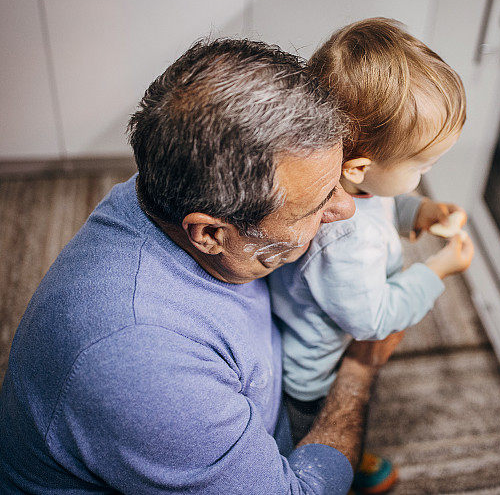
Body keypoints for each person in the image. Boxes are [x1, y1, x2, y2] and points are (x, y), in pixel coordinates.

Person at [0, 38, 401, 494]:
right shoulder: (145, 365)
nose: (347, 210)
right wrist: (360, 370)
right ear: (210, 234)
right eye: (317, 204)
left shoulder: (181, 180)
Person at [269, 19, 474, 493]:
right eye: (422, 166)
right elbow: (373, 320)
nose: (427, 174)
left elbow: (381, 201)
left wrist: (417, 210)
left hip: (320, 339)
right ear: (360, 166)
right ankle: (339, 463)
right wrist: (437, 270)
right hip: (315, 374)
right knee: (322, 433)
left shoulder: (349, 182)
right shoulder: (344, 240)